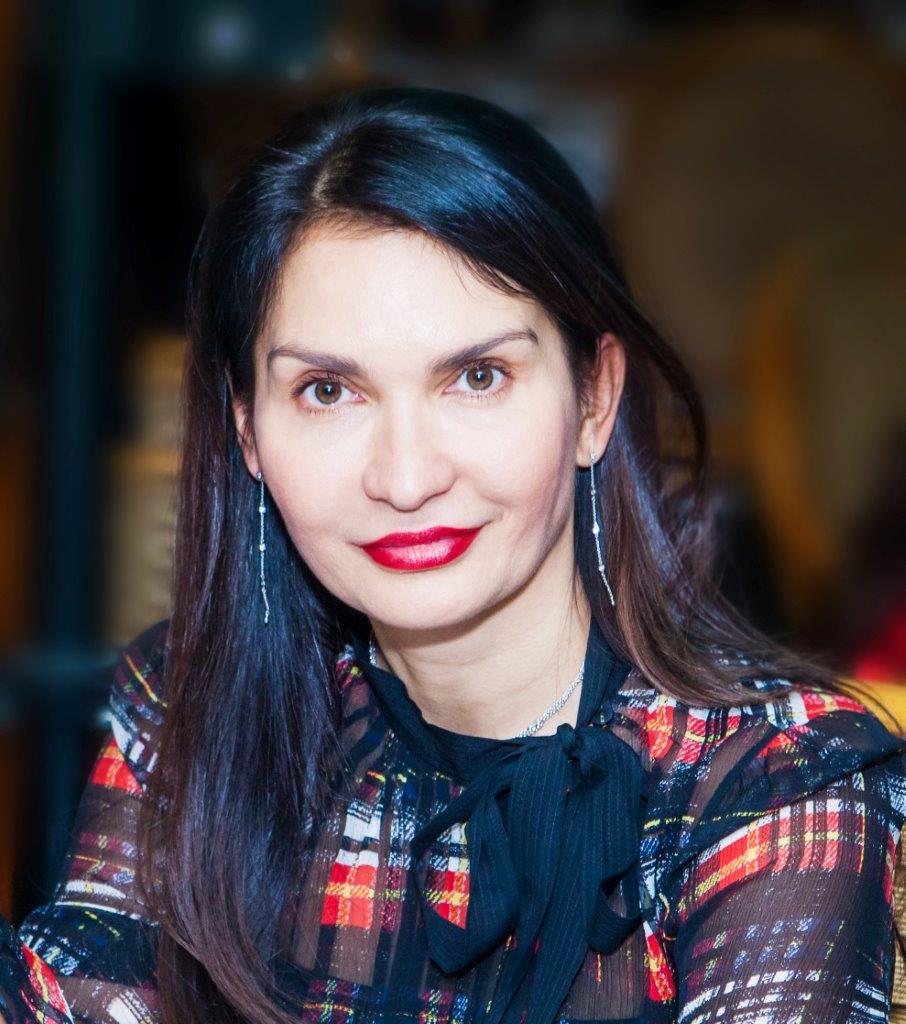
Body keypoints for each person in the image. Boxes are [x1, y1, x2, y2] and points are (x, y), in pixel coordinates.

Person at [3, 83, 906, 1024]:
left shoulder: (778, 783)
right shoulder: (190, 710)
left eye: (477, 377)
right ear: (247, 431)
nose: (405, 477)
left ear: (594, 399)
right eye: (327, 391)